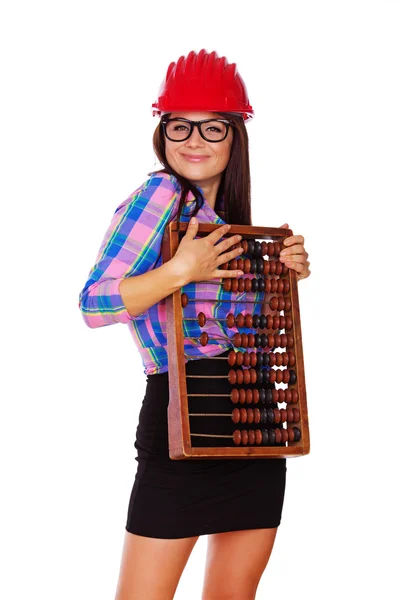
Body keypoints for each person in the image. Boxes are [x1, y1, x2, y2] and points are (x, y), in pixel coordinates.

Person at [78, 49, 311, 600]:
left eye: (214, 127)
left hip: (256, 414)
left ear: (236, 137)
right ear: (162, 132)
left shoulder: (228, 223)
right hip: (185, 408)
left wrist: (278, 279)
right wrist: (180, 269)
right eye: (179, 125)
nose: (195, 140)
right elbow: (94, 303)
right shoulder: (158, 195)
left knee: (232, 595)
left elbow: (232, 328)